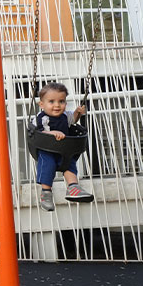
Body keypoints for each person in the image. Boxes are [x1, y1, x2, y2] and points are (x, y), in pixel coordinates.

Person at [32, 82, 94, 211]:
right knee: (47, 165)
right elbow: (36, 132)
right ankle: (46, 193)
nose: (57, 105)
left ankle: (73, 187)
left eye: (61, 101)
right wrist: (52, 133)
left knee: (69, 164)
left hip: (64, 150)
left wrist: (78, 112)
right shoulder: (41, 118)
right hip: (46, 149)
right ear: (41, 104)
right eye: (51, 101)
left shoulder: (66, 115)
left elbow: (73, 120)